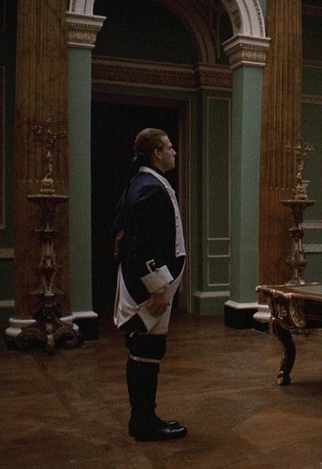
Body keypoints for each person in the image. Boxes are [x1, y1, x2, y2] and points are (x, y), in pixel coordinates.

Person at [112, 128, 187, 442]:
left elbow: (121, 232)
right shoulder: (150, 188)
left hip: (142, 284)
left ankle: (142, 419)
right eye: (169, 147)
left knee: (143, 350)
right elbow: (142, 245)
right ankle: (144, 423)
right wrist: (157, 288)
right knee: (146, 350)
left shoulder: (142, 182)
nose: (174, 152)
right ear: (156, 153)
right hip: (146, 290)